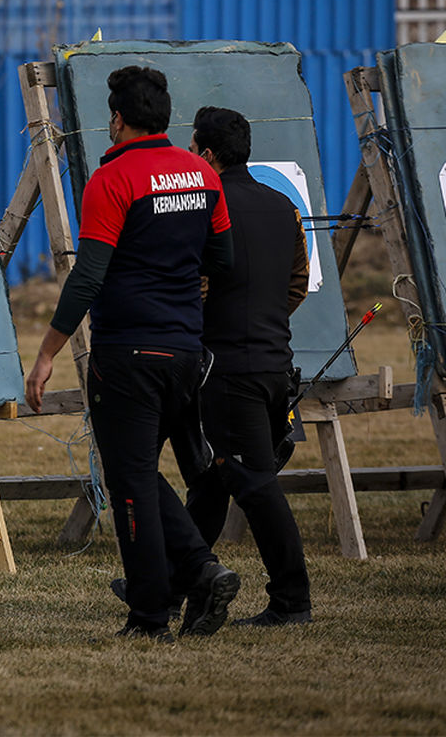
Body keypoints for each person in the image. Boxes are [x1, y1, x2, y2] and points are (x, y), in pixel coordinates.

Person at [24, 66, 240, 642]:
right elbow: (223, 261)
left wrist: (47, 352)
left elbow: (89, 274)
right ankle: (194, 571)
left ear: (117, 120)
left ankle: (156, 610)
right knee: (139, 475)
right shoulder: (202, 174)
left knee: (130, 482)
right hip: (185, 354)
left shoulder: (113, 179)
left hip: (127, 354)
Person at [185, 106, 313, 626]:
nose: (191, 158)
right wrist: (260, 320)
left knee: (251, 482)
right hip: (274, 365)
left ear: (209, 155)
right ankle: (166, 583)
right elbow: (296, 286)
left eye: (194, 150)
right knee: (213, 483)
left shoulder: (206, 209)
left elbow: (195, 288)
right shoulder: (283, 205)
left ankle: (291, 600)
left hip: (229, 368)